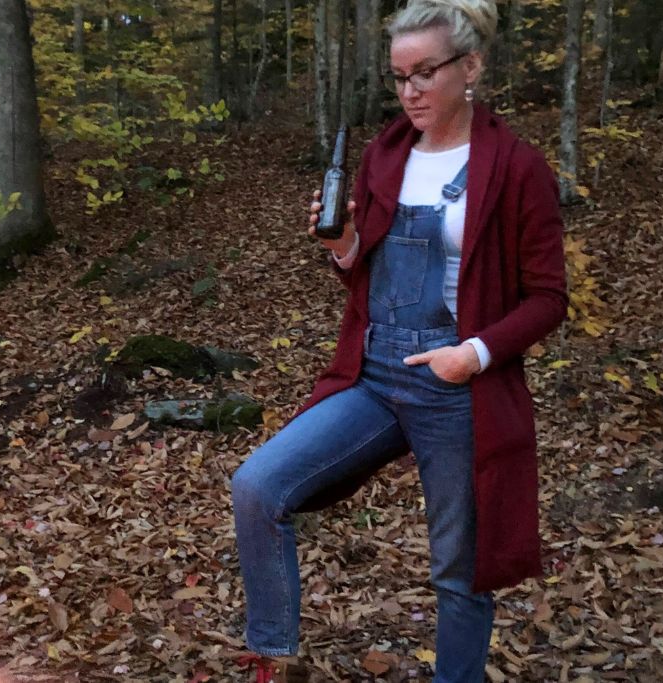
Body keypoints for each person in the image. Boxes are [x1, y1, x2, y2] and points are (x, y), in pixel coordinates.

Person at [229, 0, 569, 681]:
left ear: (469, 67)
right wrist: (344, 244)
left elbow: (548, 298)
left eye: (424, 73)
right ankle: (274, 653)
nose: (409, 91)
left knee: (459, 569)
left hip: (456, 386)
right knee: (258, 485)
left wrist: (470, 355)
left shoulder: (514, 166)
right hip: (374, 372)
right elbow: (367, 272)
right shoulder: (386, 155)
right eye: (398, 76)